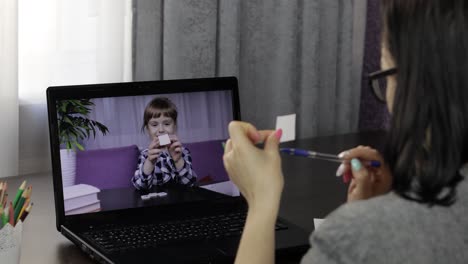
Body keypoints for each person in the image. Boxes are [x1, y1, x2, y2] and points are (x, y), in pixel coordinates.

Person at [223, 0, 468, 263]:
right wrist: (380, 209)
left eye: (385, 72)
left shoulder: (348, 238)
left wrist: (260, 201)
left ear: (414, 82)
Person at [132, 97, 197, 190]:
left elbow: (191, 183)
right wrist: (150, 162)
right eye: (154, 125)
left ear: (174, 126)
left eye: (167, 124)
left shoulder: (183, 151)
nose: (161, 130)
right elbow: (139, 186)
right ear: (148, 129)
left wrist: (178, 160)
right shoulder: (146, 155)